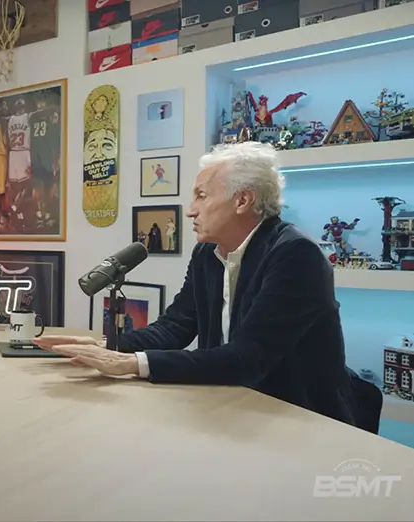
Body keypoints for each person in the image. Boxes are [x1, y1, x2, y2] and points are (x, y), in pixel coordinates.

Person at [34, 142, 381, 432]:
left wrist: (130, 363)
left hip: (300, 422)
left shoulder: (296, 254)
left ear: (242, 200)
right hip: (235, 409)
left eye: (201, 196)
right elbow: (175, 327)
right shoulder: (207, 253)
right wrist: (108, 345)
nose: (190, 210)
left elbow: (248, 358)